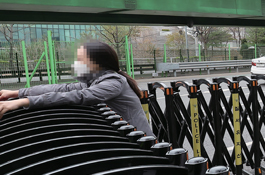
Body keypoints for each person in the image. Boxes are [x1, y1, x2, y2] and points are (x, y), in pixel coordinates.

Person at [0, 41, 153, 136]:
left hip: (139, 142)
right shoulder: (95, 80)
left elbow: (80, 96)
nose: (76, 63)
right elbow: (63, 89)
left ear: (96, 63)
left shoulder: (113, 82)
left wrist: (23, 102)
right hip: (124, 136)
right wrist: (17, 93)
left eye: (80, 59)